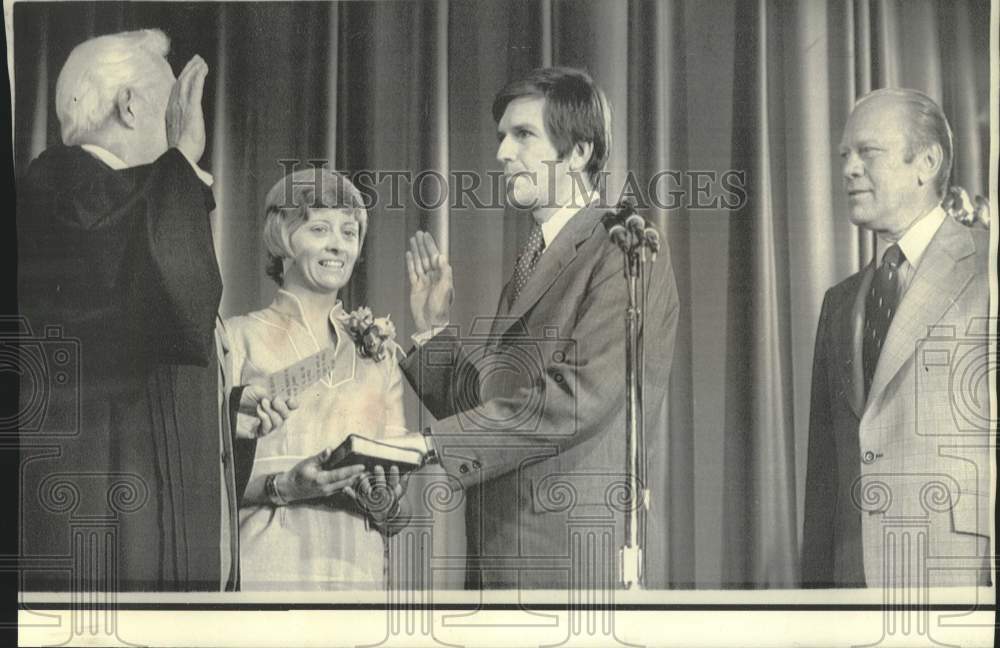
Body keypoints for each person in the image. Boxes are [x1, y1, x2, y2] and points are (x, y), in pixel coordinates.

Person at [17, 29, 289, 591]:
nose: (187, 120)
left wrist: (223, 418)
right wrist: (182, 161)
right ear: (131, 103)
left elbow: (146, 350)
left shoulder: (129, 205)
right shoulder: (57, 187)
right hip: (103, 541)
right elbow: (166, 305)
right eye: (175, 101)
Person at [402, 67, 679, 589]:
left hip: (569, 564)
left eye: (523, 135)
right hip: (503, 562)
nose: (503, 153)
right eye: (502, 137)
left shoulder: (623, 248)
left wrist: (430, 444)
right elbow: (493, 408)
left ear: (578, 152)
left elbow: (575, 398)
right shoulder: (538, 256)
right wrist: (434, 331)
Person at [802, 89, 991, 588]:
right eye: (845, 155)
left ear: (926, 162)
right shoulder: (839, 303)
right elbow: (824, 477)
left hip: (959, 578)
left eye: (869, 152)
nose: (849, 169)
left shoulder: (988, 268)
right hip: (852, 585)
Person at [225, 169, 417, 590]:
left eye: (349, 232)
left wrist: (385, 502)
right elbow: (200, 486)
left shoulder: (379, 354)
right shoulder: (236, 339)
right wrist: (283, 487)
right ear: (282, 238)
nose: (338, 244)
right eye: (319, 229)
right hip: (267, 574)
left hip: (357, 579)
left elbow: (400, 515)